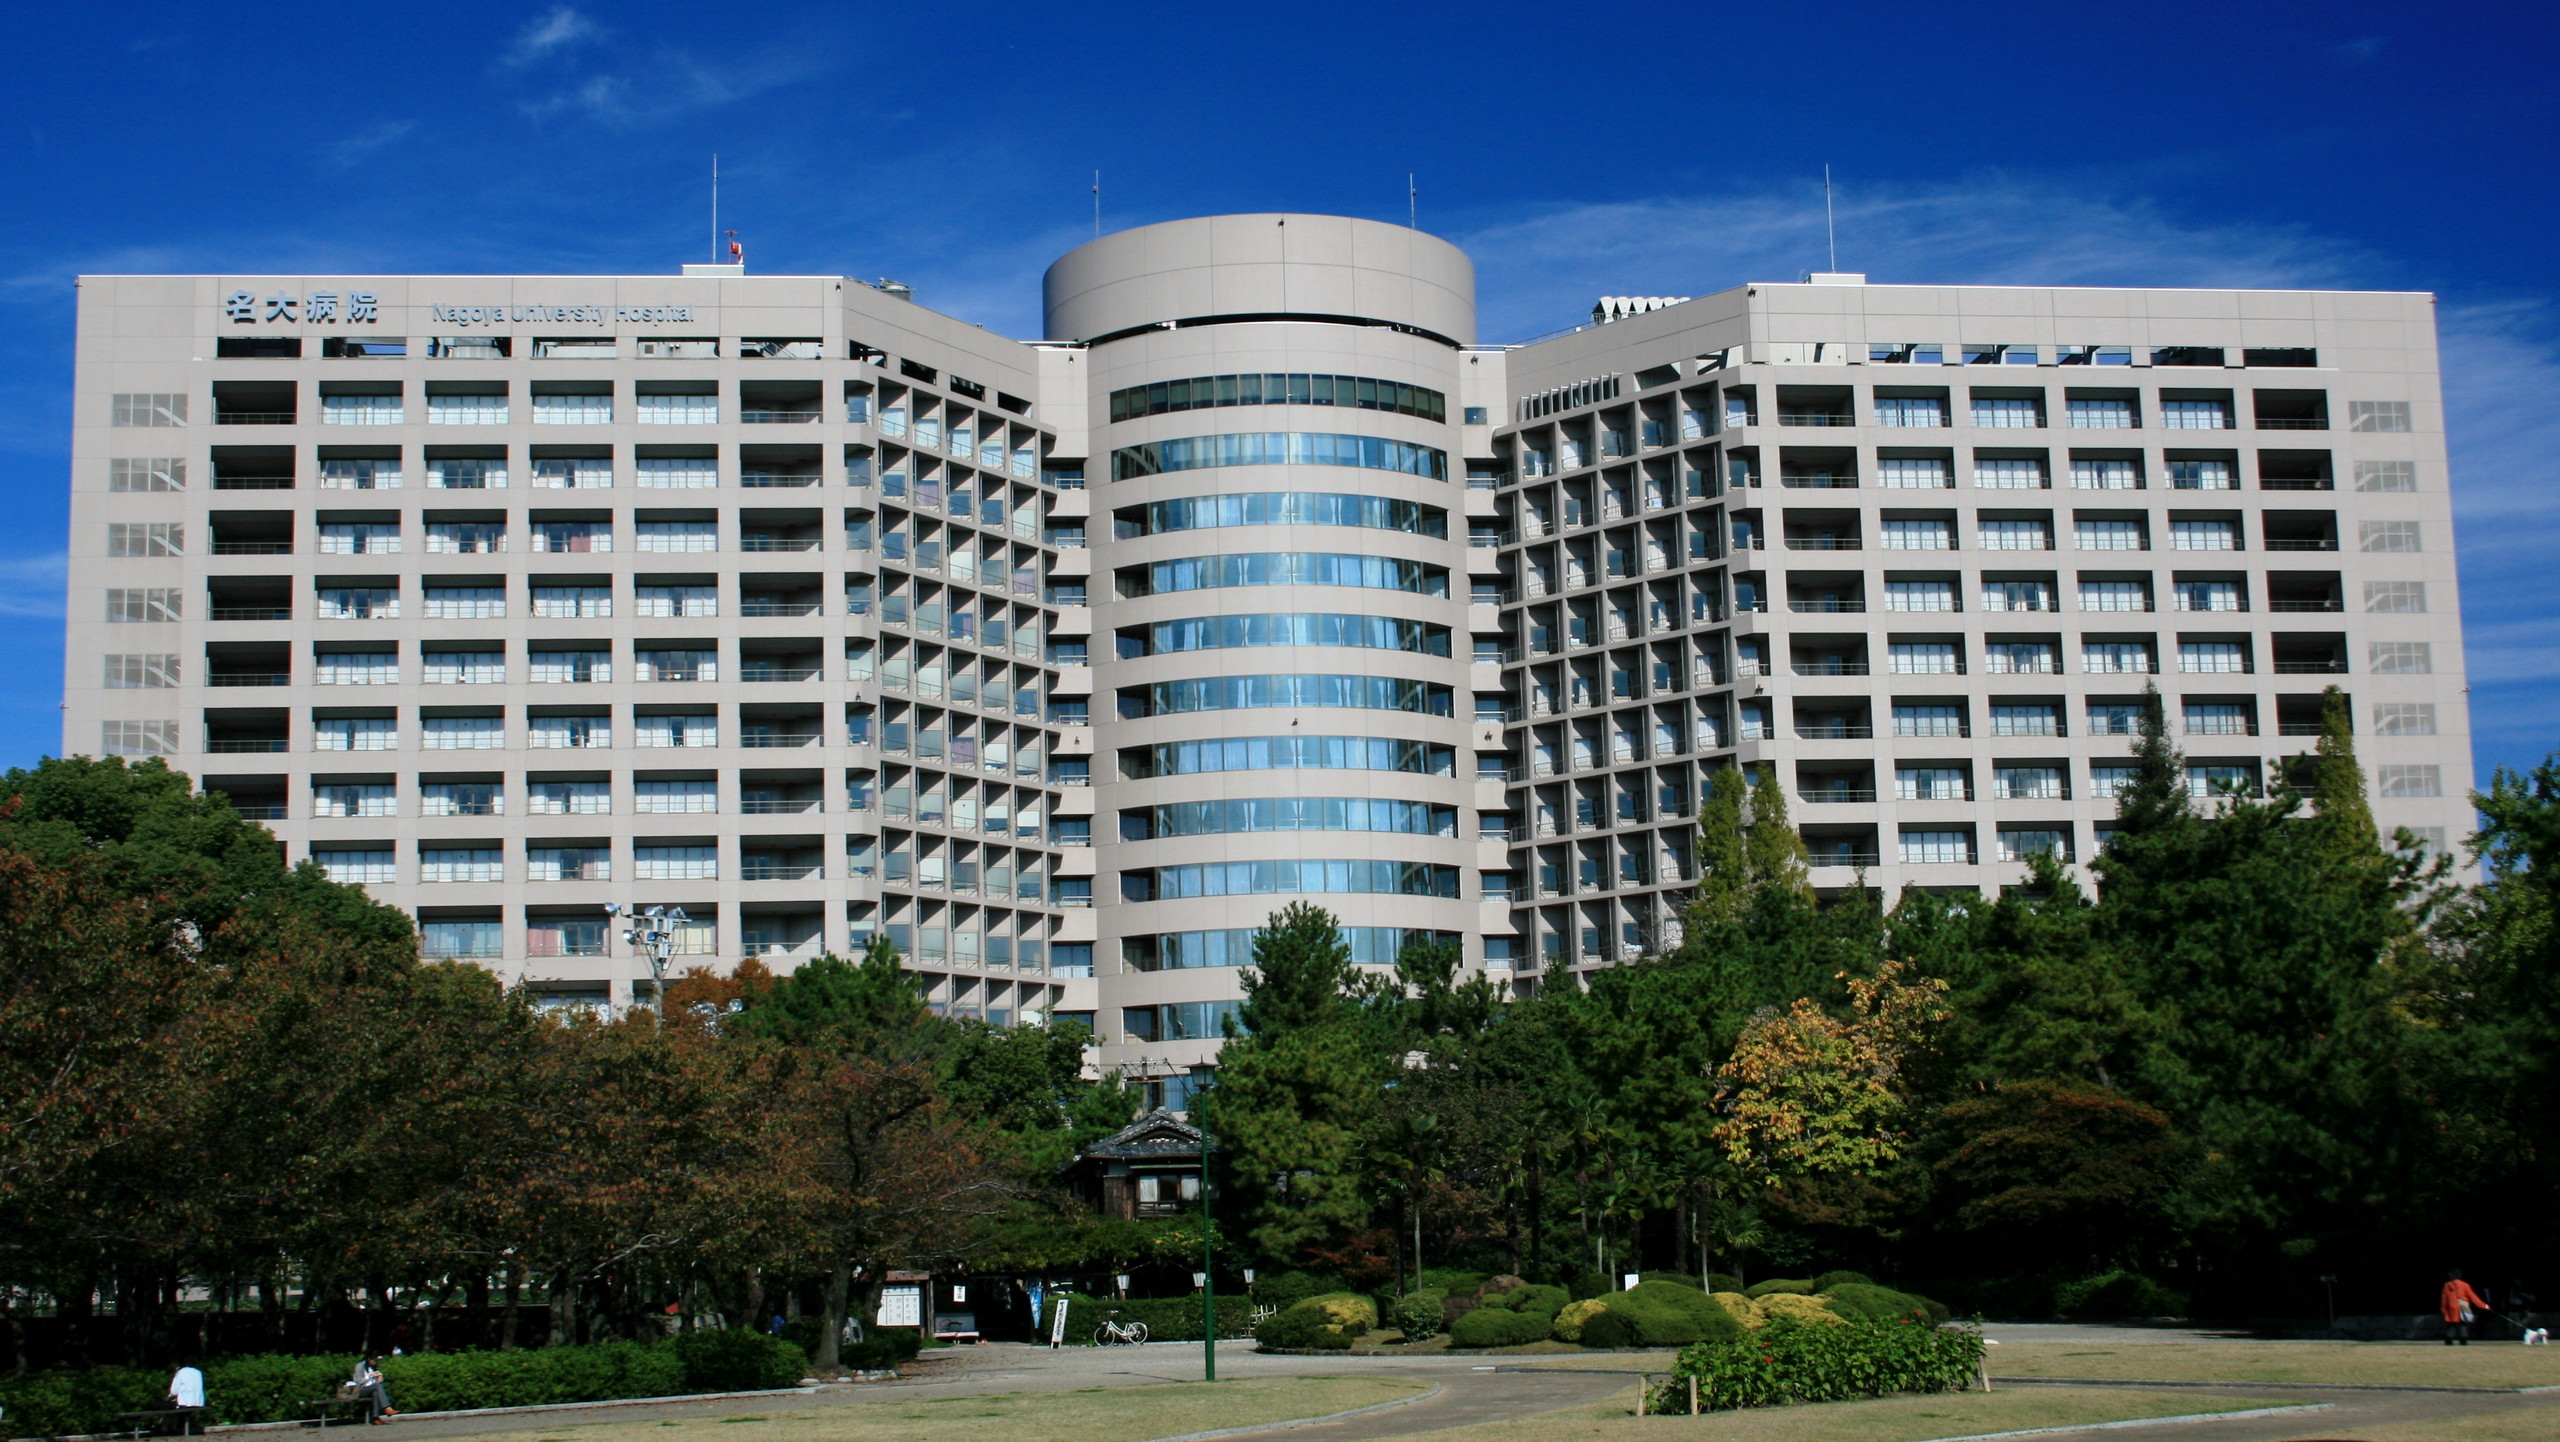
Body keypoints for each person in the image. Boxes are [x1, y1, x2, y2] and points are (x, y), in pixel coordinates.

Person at [2441, 1270, 2490, 1346]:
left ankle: (2448, 1340)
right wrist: (2484, 1306)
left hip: (2452, 1305)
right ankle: (2463, 1340)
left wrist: (2443, 1309)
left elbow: (2444, 1299)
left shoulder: (2447, 1285)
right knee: (2463, 1324)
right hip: (2464, 1305)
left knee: (2452, 1324)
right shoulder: (2465, 1285)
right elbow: (2473, 1297)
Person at [352, 1355, 397, 1424]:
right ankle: (387, 1407)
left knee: (375, 1392)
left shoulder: (372, 1367)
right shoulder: (360, 1366)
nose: (375, 1363)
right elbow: (358, 1381)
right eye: (374, 1361)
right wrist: (370, 1376)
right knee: (377, 1386)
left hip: (371, 1388)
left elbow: (374, 1383)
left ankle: (375, 1418)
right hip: (360, 1390)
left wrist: (379, 1379)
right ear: (369, 1359)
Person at [164, 1359, 205, 1435]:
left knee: (170, 1406)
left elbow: (173, 1391)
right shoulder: (198, 1372)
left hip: (186, 1404)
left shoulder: (180, 1372)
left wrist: (170, 1396)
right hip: (198, 1403)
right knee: (175, 1405)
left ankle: (166, 1429)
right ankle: (173, 1428)